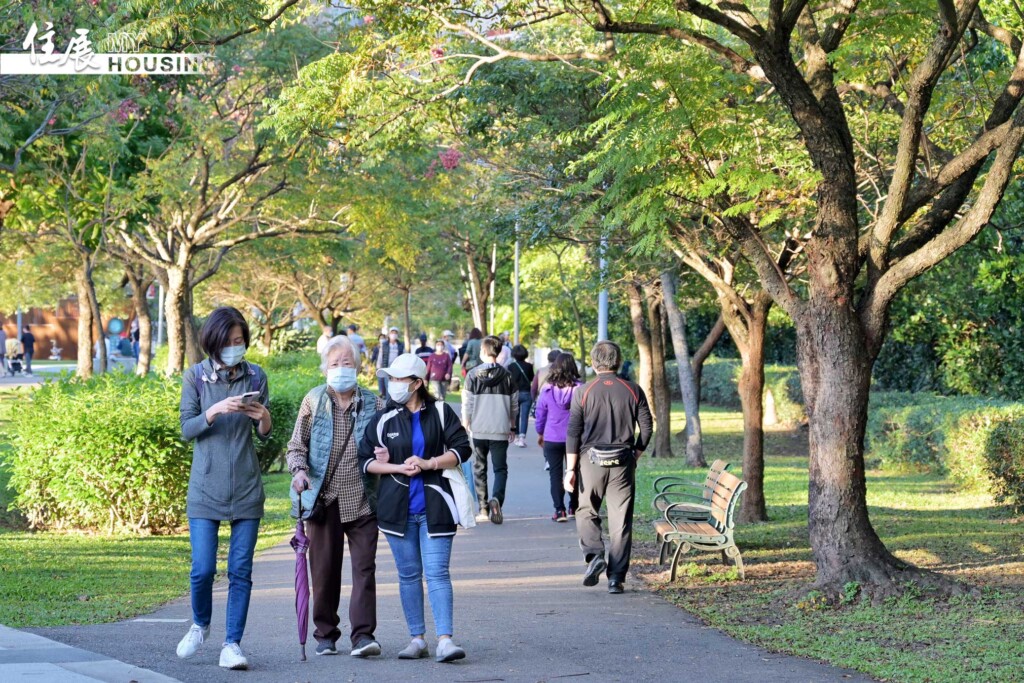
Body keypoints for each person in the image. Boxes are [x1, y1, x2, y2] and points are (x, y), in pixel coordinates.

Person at [358, 353, 472, 663]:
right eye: (391, 378)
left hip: (437, 506)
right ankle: (417, 639)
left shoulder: (441, 412)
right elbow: (365, 460)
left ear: (417, 383)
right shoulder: (384, 418)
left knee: (437, 574)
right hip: (396, 510)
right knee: (408, 575)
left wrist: (429, 463)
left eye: (399, 379)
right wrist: (396, 466)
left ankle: (445, 640)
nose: (393, 383)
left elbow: (462, 449)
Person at [177, 306, 272, 670]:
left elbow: (264, 435)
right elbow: (187, 429)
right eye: (229, 341)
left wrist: (264, 417)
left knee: (240, 571)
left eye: (240, 340)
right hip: (205, 489)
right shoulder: (196, 377)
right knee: (202, 569)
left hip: (247, 488)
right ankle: (200, 624)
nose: (236, 347)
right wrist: (214, 411)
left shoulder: (256, 375)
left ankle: (232, 644)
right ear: (213, 342)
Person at [286, 335, 385, 658]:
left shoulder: (374, 403)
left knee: (364, 569)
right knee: (324, 571)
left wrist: (387, 455)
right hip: (323, 499)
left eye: (347, 362)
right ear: (325, 368)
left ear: (357, 366)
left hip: (363, 498)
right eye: (335, 363)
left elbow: (389, 443)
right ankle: (325, 634)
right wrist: (299, 471)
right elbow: (296, 446)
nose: (341, 368)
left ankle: (363, 636)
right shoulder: (313, 401)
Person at [564, 340, 653, 595]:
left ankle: (594, 556)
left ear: (593, 363)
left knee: (585, 511)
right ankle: (616, 579)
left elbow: (573, 432)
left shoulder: (584, 392)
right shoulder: (633, 390)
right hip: (622, 462)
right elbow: (647, 427)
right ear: (619, 361)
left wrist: (570, 470)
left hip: (590, 462)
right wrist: (635, 454)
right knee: (620, 520)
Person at [462, 335, 518, 524]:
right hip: (500, 429)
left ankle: (484, 509)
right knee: (500, 468)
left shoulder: (472, 375)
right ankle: (497, 499)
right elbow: (514, 405)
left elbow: (467, 403)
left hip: (478, 429)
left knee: (479, 468)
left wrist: (466, 424)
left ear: (484, 351)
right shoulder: (508, 376)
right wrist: (512, 426)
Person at [535, 353, 582, 522]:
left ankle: (559, 510)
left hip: (552, 437)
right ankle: (573, 507)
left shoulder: (547, 390)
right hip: (575, 438)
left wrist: (540, 432)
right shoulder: (580, 389)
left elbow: (540, 414)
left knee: (555, 474)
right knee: (575, 471)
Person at [508, 345, 534, 447]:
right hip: (526, 393)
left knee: (515, 415)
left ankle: (516, 436)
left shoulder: (511, 366)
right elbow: (531, 378)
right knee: (524, 416)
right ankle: (522, 438)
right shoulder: (529, 366)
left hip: (514, 394)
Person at [372, 328, 404, 396]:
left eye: (395, 333)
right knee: (388, 386)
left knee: (396, 387)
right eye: (392, 333)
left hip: (397, 369)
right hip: (387, 368)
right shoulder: (384, 344)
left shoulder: (400, 345)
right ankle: (388, 400)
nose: (394, 334)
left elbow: (403, 356)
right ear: (389, 334)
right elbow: (380, 356)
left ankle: (394, 400)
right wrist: (378, 367)